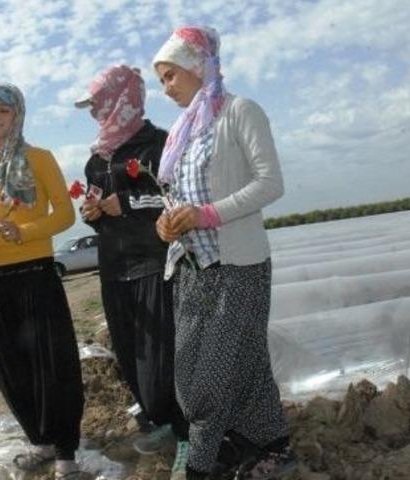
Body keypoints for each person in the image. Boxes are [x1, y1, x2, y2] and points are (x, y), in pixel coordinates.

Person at [151, 26, 296, 480]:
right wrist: (167, 222)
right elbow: (176, 198)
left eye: (170, 76)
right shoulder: (182, 132)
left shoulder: (239, 112)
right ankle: (269, 444)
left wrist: (206, 215)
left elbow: (270, 183)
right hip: (192, 268)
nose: (166, 88)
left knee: (206, 380)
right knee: (237, 365)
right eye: (161, 80)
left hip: (238, 266)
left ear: (198, 66)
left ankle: (200, 464)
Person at [0, 84, 85, 480]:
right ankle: (40, 439)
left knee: (53, 363)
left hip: (34, 273)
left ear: (19, 116)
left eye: (3, 111)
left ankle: (65, 449)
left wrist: (26, 231)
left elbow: (66, 215)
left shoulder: (39, 158)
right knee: (9, 366)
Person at [75, 65, 190, 474]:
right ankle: (163, 421)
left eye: (99, 103)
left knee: (163, 359)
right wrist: (91, 213)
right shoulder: (97, 159)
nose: (94, 112)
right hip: (114, 269)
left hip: (152, 264)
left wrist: (125, 204)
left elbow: (172, 200)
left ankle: (188, 436)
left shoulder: (157, 145)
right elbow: (97, 208)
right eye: (91, 105)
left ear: (123, 99)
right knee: (131, 355)